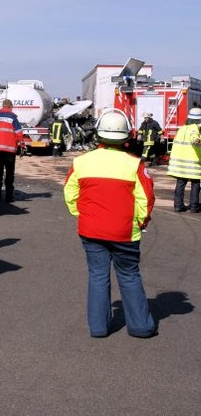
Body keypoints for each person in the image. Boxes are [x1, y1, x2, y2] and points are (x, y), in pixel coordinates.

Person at [64, 109, 157, 339]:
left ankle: (98, 327)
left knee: (97, 275)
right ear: (126, 136)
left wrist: (82, 214)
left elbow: (70, 193)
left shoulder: (81, 162)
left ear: (98, 134)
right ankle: (140, 327)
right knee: (129, 275)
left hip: (91, 230)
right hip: (125, 232)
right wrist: (140, 222)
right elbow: (145, 199)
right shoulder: (135, 164)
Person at [167, 107, 201, 213]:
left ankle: (178, 206)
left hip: (179, 164)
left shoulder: (181, 129)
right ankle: (194, 207)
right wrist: (197, 140)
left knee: (180, 183)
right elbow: (194, 137)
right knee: (195, 184)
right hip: (192, 164)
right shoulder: (194, 128)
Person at [0, 99, 23, 202]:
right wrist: (22, 144)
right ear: (10, 107)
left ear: (3, 106)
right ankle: (9, 197)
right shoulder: (13, 117)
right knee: (9, 173)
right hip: (10, 150)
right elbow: (18, 133)